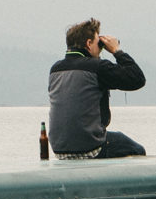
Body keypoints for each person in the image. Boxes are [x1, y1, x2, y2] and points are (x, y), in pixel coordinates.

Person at [47, 17, 147, 159]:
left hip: (59, 150)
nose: (100, 49)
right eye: (98, 43)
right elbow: (137, 79)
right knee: (137, 150)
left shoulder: (55, 69)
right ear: (88, 43)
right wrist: (117, 51)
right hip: (91, 147)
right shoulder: (97, 68)